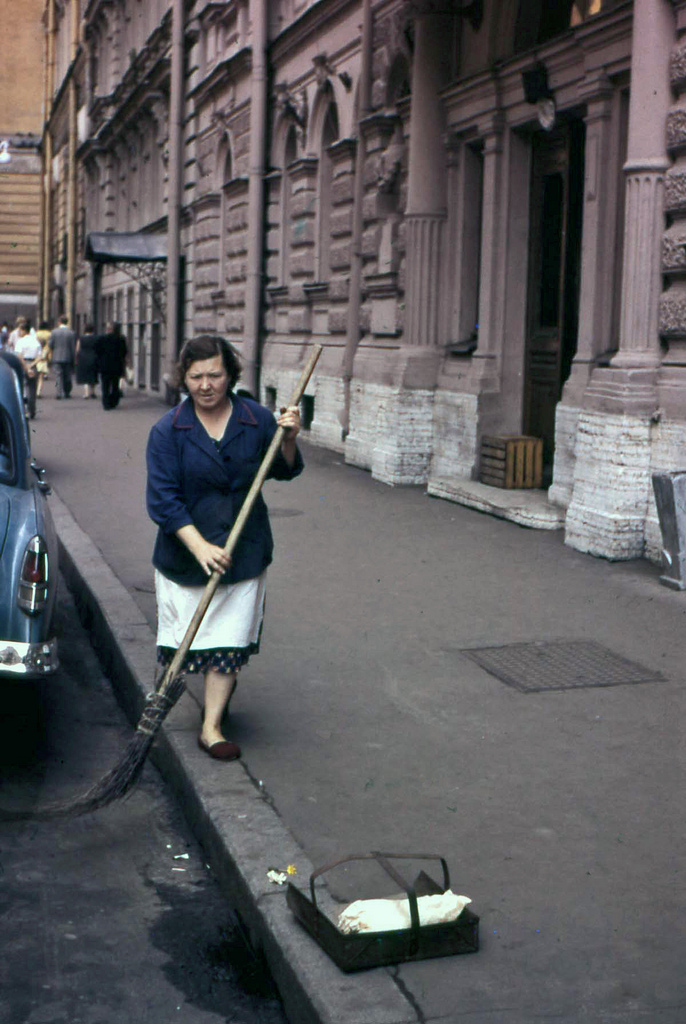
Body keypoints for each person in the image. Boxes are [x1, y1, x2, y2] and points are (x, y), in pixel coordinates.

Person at [146, 335, 303, 761]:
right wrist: (198, 546)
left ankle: (211, 725)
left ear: (230, 374)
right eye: (196, 376)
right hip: (184, 556)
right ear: (184, 378)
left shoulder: (255, 419)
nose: (206, 384)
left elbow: (283, 471)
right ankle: (213, 703)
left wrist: (288, 438)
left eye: (215, 374)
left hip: (243, 550)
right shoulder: (168, 430)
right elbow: (163, 499)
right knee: (191, 642)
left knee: (228, 643)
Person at [95, 321, 127, 409]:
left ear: (108, 329)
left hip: (105, 366)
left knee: (105, 385)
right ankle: (114, 401)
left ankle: (106, 404)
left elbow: (97, 351)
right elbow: (124, 352)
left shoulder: (101, 338)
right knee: (115, 385)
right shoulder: (121, 339)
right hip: (117, 366)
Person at [14, 320, 41, 419]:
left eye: (20, 331)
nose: (19, 333)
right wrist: (31, 365)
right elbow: (40, 356)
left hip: (22, 364)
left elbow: (19, 356)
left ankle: (24, 410)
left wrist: (26, 366)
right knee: (32, 389)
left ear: (24, 330)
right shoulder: (35, 341)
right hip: (33, 364)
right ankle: (32, 410)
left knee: (22, 387)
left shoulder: (20, 341)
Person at [49, 314, 76, 399]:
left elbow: (50, 344)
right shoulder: (71, 333)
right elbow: (72, 347)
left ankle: (58, 393)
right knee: (67, 376)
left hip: (56, 357)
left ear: (59, 322)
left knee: (58, 376)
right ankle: (67, 392)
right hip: (67, 357)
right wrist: (73, 358)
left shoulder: (54, 332)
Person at [75, 322, 98, 398]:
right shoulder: (96, 338)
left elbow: (77, 349)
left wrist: (77, 357)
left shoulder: (81, 338)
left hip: (83, 358)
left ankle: (86, 393)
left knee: (85, 376)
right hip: (94, 358)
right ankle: (93, 392)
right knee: (93, 375)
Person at [34, 320, 52, 398]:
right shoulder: (49, 334)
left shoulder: (37, 333)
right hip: (46, 352)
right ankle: (38, 392)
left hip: (37, 354)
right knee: (41, 376)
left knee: (36, 377)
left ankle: (35, 391)